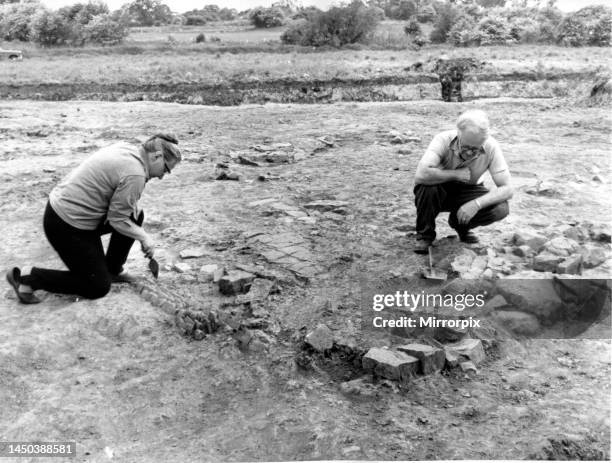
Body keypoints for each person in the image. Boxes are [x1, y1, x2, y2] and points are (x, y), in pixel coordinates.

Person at [6, 134, 181, 304]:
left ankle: (113, 269)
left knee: (135, 214)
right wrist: (144, 237)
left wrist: (137, 230)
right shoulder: (135, 174)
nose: (161, 176)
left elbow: (121, 211)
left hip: (65, 213)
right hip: (65, 226)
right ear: (157, 156)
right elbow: (117, 220)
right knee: (97, 286)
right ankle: (28, 277)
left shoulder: (128, 149)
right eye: (165, 169)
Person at [413, 110, 513, 254]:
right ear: (458, 133)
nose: (470, 153)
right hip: (439, 189)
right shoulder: (442, 139)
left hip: (469, 189)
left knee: (500, 208)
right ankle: (425, 235)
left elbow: (507, 189)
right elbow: (421, 175)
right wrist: (455, 174)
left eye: (476, 148)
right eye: (466, 147)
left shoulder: (491, 146)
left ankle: (460, 224)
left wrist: (475, 204)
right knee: (428, 187)